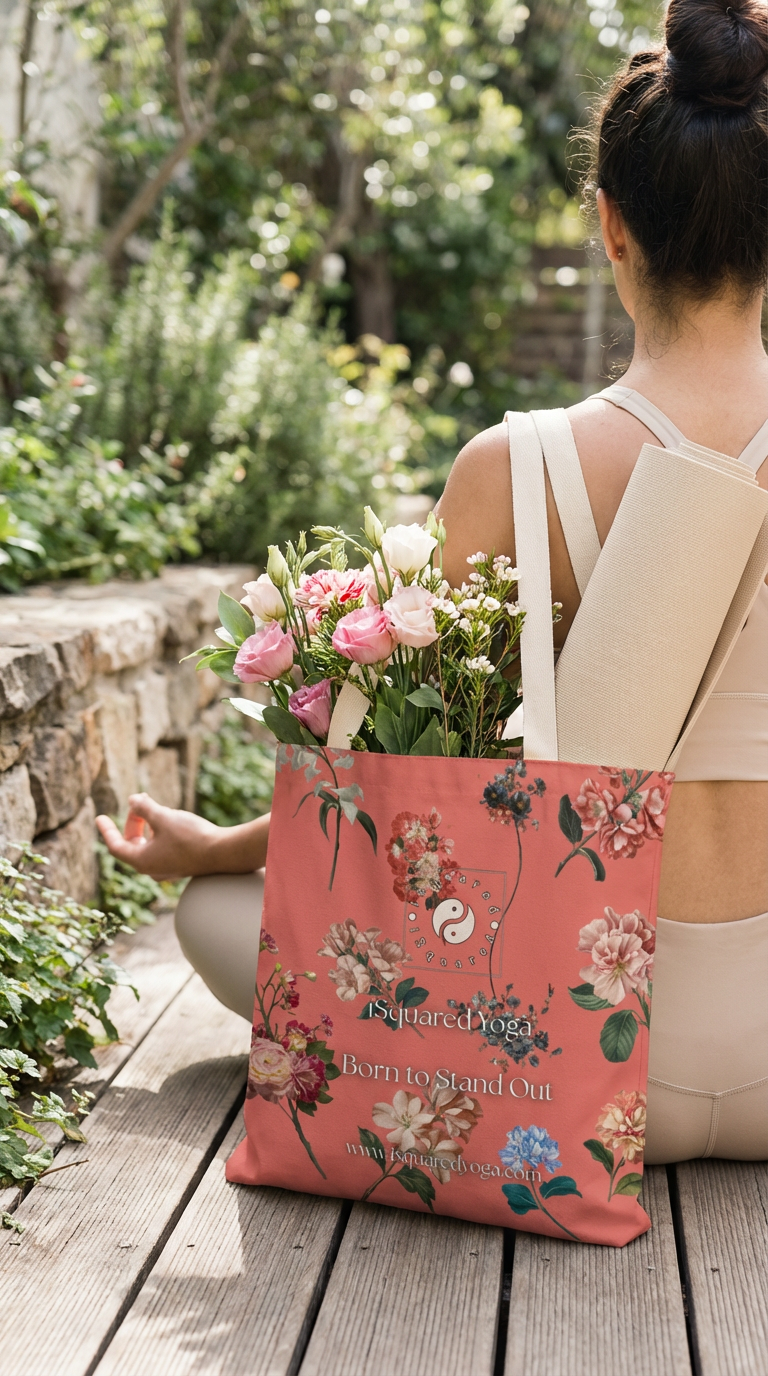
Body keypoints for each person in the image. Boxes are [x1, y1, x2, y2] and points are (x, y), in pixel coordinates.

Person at [97, 0, 768, 1166]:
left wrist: (215, 847)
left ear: (609, 223)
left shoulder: (517, 467)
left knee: (214, 912)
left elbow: (394, 790)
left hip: (579, 1055)